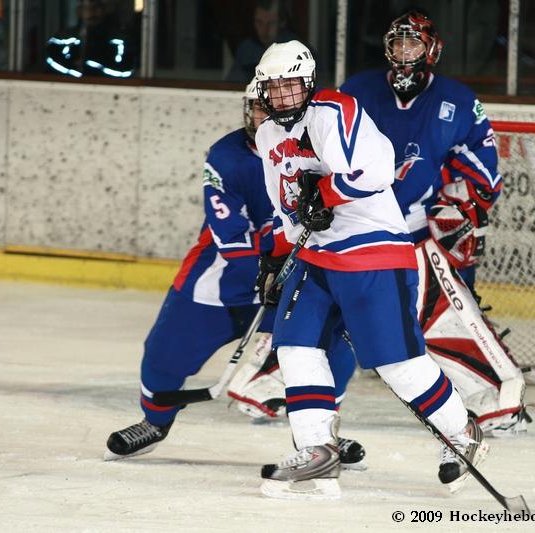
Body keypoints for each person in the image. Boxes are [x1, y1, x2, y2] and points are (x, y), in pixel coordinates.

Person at [231, 9, 527, 492]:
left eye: (292, 86)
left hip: (374, 251)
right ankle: (317, 448)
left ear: (308, 84)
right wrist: (276, 255)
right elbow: (286, 207)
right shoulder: (268, 136)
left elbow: (377, 169)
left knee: (397, 364)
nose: (284, 97)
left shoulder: (333, 110)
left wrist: (325, 193)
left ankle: (462, 431)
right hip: (316, 258)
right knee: (296, 346)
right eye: (274, 89)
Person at [103, 79, 365, 470]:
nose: (266, 116)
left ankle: (320, 433)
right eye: (259, 107)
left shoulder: (320, 150)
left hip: (298, 276)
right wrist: (267, 273)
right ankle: (154, 422)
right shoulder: (227, 157)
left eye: (273, 105)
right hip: (223, 281)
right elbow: (231, 235)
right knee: (162, 357)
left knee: (334, 347)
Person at [46, 0, 135, 78]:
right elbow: (50, 67)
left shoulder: (119, 40)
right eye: (85, 7)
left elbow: (125, 73)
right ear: (79, 10)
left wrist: (91, 65)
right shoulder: (62, 38)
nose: (90, 12)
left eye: (96, 7)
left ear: (104, 9)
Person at [225, 0, 297, 83]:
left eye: (271, 23)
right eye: (259, 22)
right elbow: (232, 84)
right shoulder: (246, 49)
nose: (264, 30)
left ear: (282, 22)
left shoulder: (296, 49)